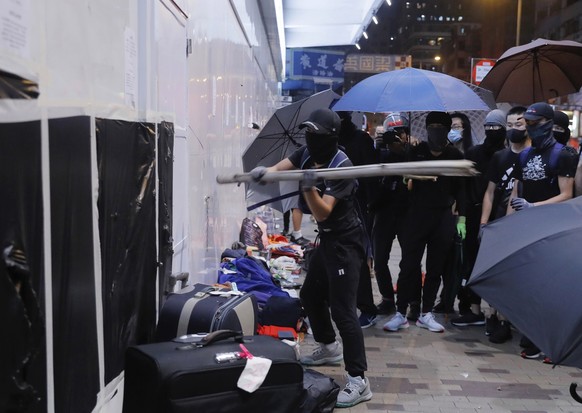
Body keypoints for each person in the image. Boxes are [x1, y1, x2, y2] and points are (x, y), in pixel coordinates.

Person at [250, 108, 372, 408]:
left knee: (344, 310)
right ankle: (329, 347)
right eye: (309, 133)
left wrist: (307, 187)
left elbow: (322, 211)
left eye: (316, 134)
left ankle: (359, 380)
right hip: (328, 239)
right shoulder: (306, 152)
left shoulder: (342, 166)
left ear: (331, 137)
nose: (310, 139)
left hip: (346, 241)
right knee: (311, 294)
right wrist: (266, 172)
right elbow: (284, 166)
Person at [383, 111, 466, 333]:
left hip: (443, 217)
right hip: (416, 216)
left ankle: (426, 313)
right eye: (433, 125)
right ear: (426, 128)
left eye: (441, 126)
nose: (436, 130)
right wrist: (407, 177)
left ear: (448, 130)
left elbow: (461, 192)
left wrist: (461, 219)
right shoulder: (415, 151)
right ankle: (401, 312)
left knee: (435, 268)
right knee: (409, 265)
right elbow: (403, 182)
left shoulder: (455, 157)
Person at [507, 102, 577, 359]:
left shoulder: (564, 154)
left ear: (549, 124)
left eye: (535, 124)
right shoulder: (524, 155)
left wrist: (532, 206)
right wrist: (507, 225)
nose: (530, 128)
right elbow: (516, 193)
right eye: (528, 123)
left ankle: (554, 343)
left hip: (556, 230)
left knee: (554, 288)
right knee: (532, 287)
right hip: (529, 229)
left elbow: (567, 194)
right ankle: (536, 338)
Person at [450, 109, 507, 328]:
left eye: (496, 127)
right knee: (470, 262)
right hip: (474, 214)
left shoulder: (507, 155)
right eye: (488, 127)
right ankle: (473, 308)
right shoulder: (474, 153)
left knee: (494, 263)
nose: (492, 131)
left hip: (500, 216)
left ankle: (494, 312)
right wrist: (462, 215)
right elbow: (464, 187)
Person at [479, 105, 529, 343]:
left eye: (518, 124)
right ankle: (494, 316)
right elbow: (489, 192)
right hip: (499, 222)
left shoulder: (534, 156)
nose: (513, 129)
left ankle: (511, 319)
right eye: (509, 125)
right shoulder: (499, 157)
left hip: (525, 222)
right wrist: (484, 223)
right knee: (497, 271)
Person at [370, 113, 421, 319]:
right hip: (384, 211)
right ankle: (388, 299)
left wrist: (408, 150)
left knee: (411, 260)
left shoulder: (414, 153)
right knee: (380, 258)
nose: (397, 138)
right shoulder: (381, 153)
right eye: (393, 134)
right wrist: (380, 147)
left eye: (401, 133)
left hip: (408, 212)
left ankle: (414, 301)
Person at [337, 111, 379, 328]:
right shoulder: (331, 140)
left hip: (359, 207)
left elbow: (370, 174)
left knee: (360, 258)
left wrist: (372, 203)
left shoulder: (360, 139)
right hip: (335, 207)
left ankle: (366, 307)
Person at [433, 111, 474, 315]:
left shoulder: (471, 153)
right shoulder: (442, 153)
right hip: (444, 212)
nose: (455, 131)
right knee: (444, 260)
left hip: (464, 213)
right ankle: (445, 298)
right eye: (452, 127)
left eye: (458, 127)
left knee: (461, 261)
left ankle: (462, 300)